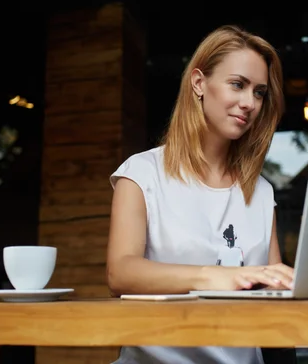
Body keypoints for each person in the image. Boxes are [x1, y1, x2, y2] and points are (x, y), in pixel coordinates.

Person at [107, 25, 294, 364]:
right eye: (238, 84)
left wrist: (292, 282)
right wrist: (216, 275)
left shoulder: (262, 191)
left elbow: (273, 289)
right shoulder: (141, 173)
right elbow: (120, 273)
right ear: (198, 84)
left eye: (259, 92)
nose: (249, 103)